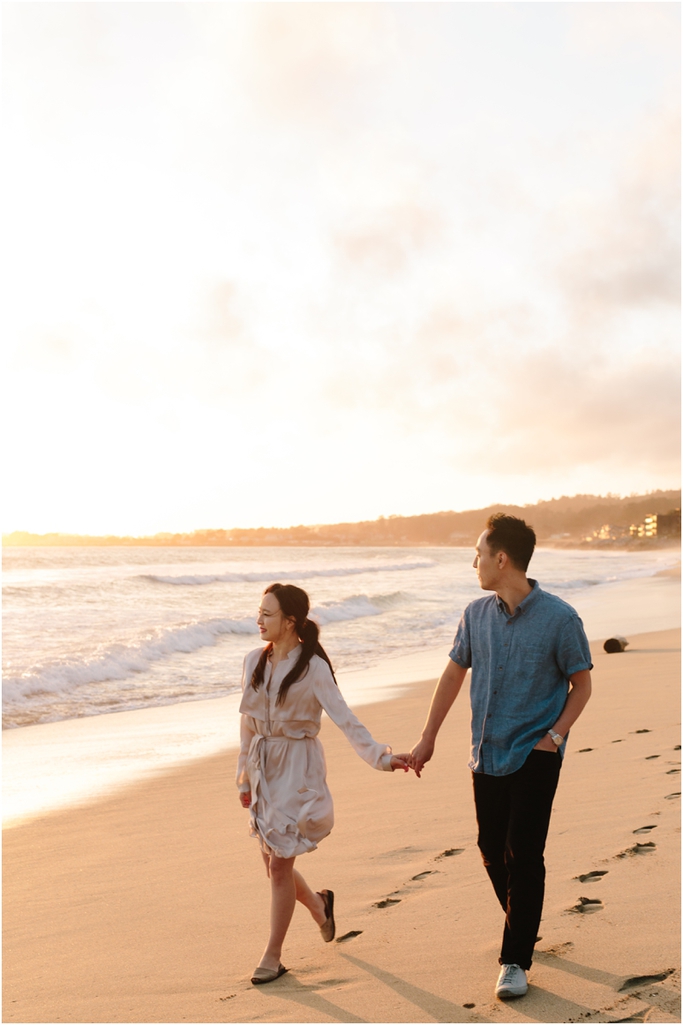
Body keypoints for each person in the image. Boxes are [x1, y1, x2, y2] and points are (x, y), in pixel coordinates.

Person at [408, 514, 592, 1000]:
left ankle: (514, 959)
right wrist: (427, 739)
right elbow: (452, 677)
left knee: (523, 854)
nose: (475, 563)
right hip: (485, 752)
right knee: (491, 850)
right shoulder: (475, 614)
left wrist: (553, 735)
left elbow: (582, 684)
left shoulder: (560, 618)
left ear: (502, 559)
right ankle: (523, 925)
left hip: (536, 751)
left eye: (479, 554)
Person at [237, 582, 411, 985]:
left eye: (268, 614)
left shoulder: (313, 667)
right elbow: (247, 723)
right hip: (262, 768)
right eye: (259, 612)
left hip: (297, 767)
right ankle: (319, 906)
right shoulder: (252, 661)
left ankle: (272, 956)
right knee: (272, 863)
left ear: (290, 621)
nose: (259, 620)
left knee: (279, 864)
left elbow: (344, 717)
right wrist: (242, 775)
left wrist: (382, 758)